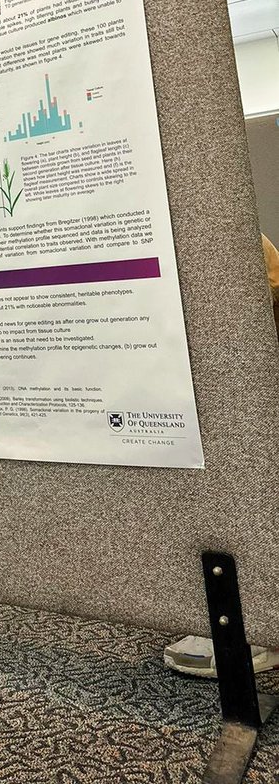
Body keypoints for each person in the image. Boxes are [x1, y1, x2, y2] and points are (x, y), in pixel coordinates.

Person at [163, 231, 279, 678]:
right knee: (204, 491)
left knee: (253, 487)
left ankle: (261, 625)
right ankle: (220, 615)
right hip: (190, 367)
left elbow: (261, 284)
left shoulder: (225, 217)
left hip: (244, 360)